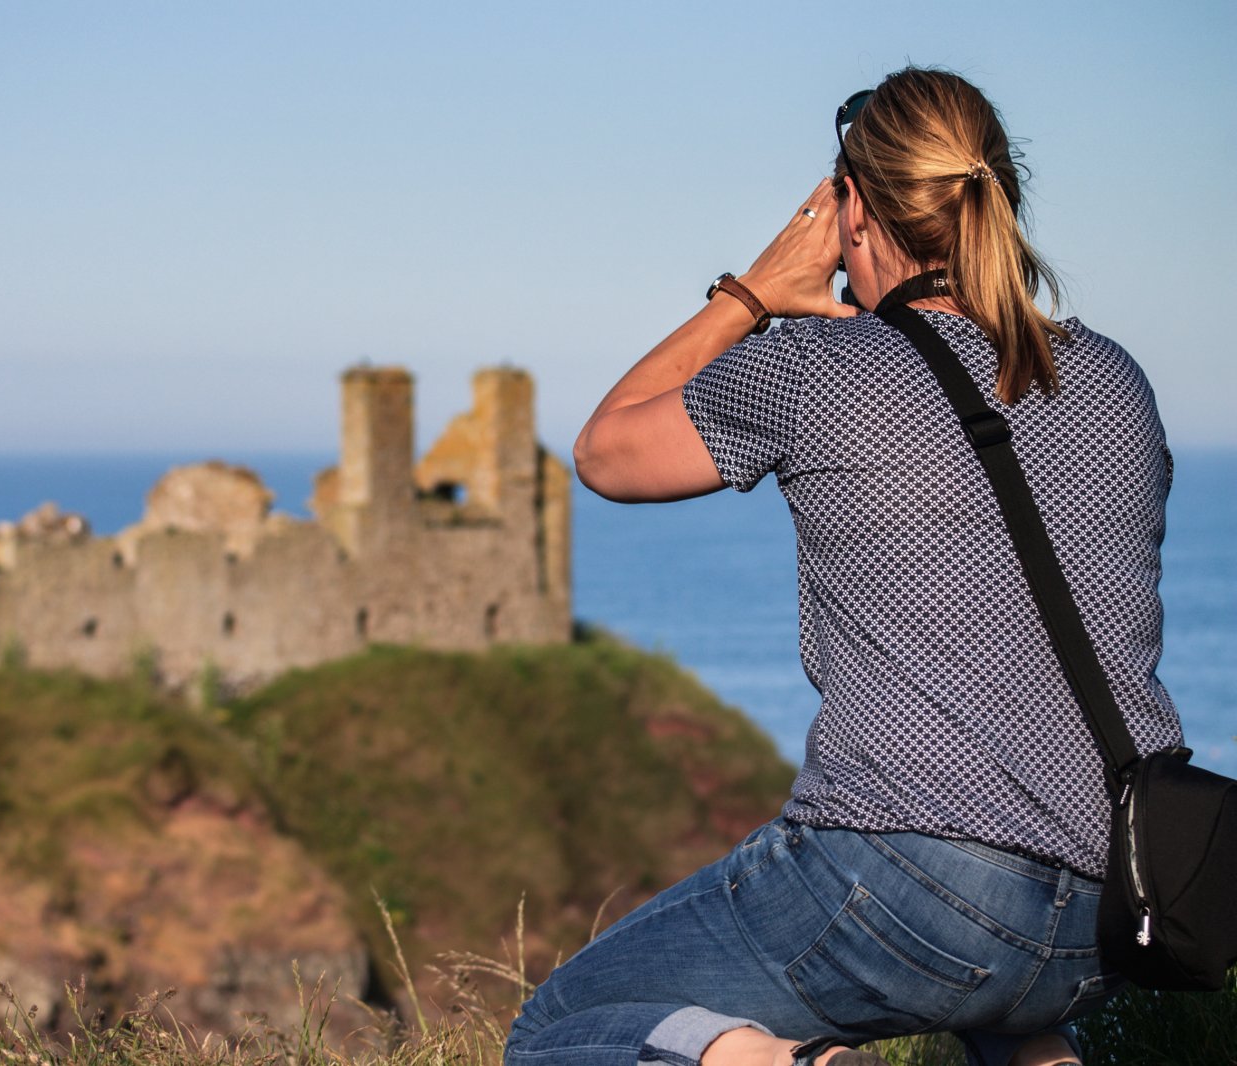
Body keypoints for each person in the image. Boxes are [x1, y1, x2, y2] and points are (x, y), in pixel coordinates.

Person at [503, 68, 1182, 1066]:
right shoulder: (1117, 381)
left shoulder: (816, 371)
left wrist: (751, 293)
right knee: (1005, 984)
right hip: (1109, 909)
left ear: (852, 212)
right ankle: (1041, 1051)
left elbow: (605, 451)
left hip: (902, 887)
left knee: (556, 1030)